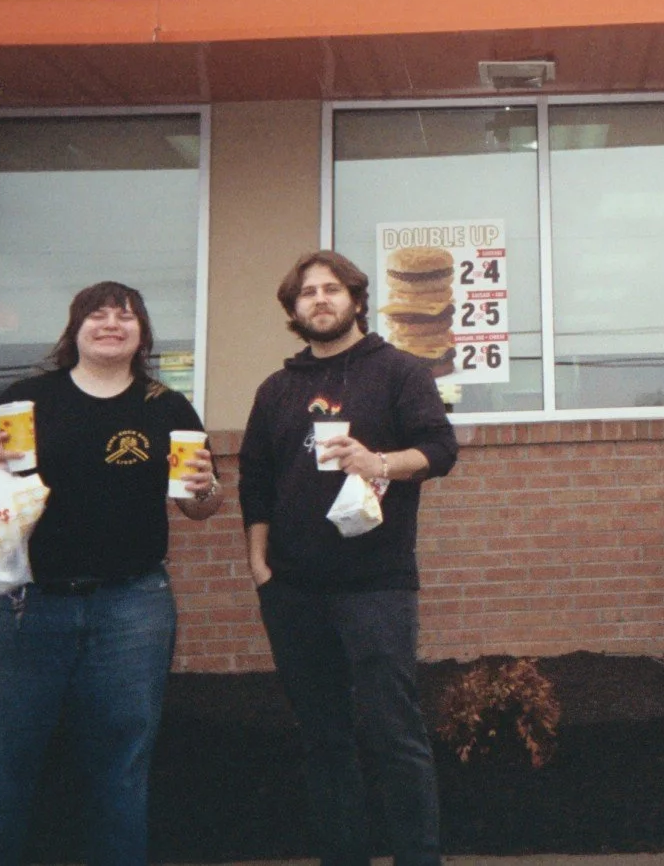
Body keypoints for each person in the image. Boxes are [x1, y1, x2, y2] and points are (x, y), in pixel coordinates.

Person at [0, 280, 223, 866]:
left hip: (132, 608)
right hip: (17, 604)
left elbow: (199, 504)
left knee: (121, 771)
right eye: (97, 315)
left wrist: (207, 489)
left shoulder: (165, 406)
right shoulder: (27, 397)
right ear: (75, 330)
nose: (111, 324)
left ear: (142, 333)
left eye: (126, 316)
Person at [238, 250, 459, 866]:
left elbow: (441, 449)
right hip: (292, 591)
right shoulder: (278, 389)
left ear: (357, 301)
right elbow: (254, 480)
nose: (319, 300)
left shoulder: (400, 372)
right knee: (325, 740)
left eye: (331, 289)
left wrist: (381, 462)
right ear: (294, 310)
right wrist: (260, 565)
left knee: (395, 733)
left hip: (376, 585)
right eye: (306, 293)